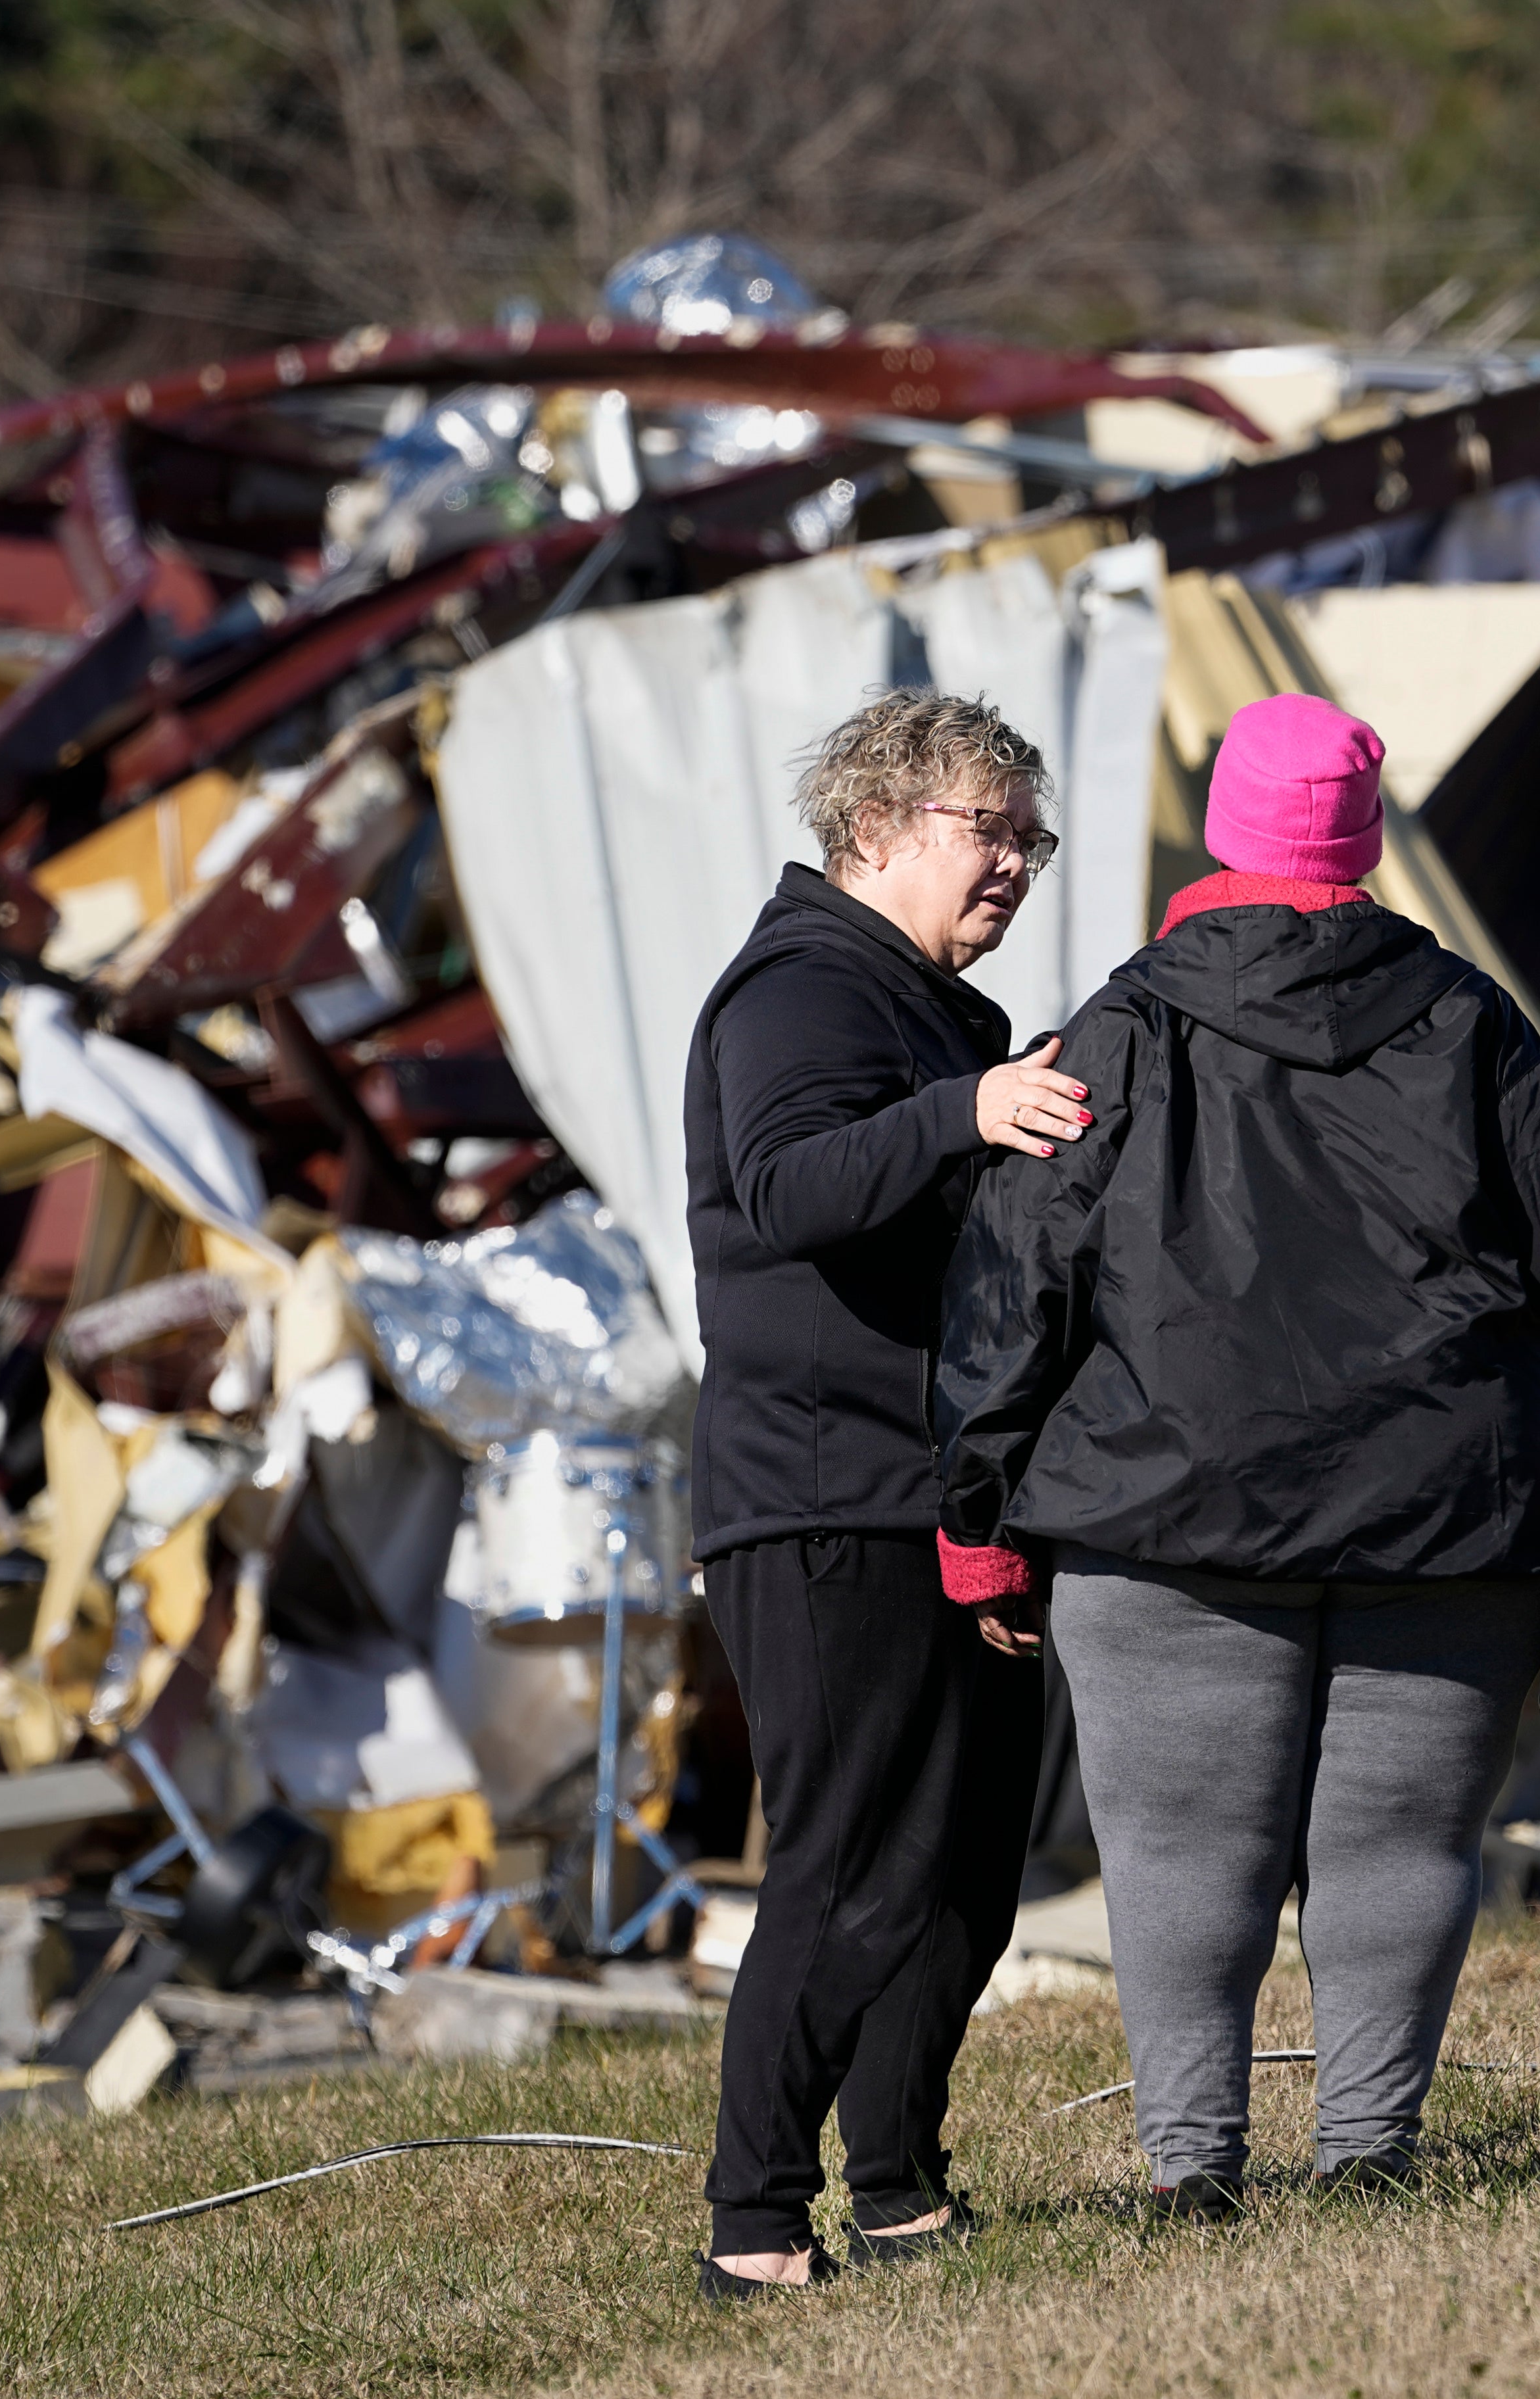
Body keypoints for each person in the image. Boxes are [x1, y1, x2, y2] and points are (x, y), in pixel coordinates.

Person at [934, 691, 1540, 2216]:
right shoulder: (1474, 1020)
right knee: (1400, 1849)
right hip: (1447, 1515)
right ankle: (1369, 2157)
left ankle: (1193, 2174)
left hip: (1160, 1517)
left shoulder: (1115, 1033)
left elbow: (1015, 1281)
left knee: (1181, 1859)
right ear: (1365, 841)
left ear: (1223, 832)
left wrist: (977, 1515)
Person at [679, 690, 1094, 2302]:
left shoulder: (941, 1013)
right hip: (817, 1500)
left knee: (968, 1866)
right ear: (871, 824)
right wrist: (969, 1117)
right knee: (848, 1862)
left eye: (1027, 837)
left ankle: (902, 2186)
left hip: (948, 1497)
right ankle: (753, 2222)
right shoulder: (803, 983)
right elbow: (787, 1185)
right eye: (983, 828)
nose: (1013, 864)